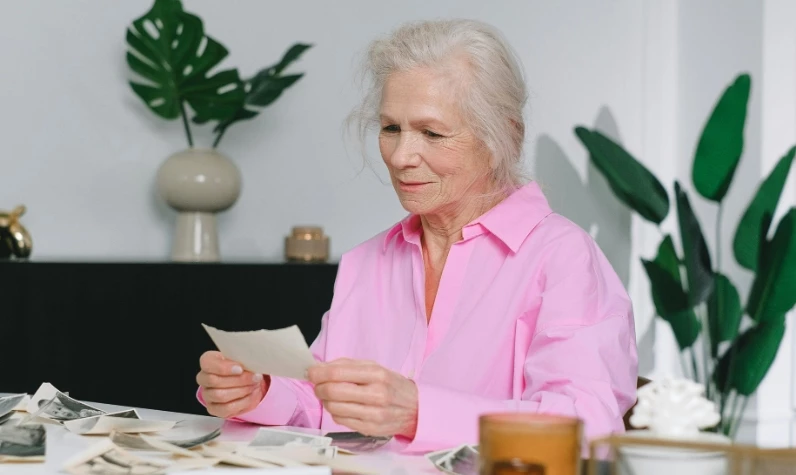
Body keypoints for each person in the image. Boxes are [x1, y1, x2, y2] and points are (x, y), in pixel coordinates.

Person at [196, 18, 638, 454]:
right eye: (391, 129)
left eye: (432, 132)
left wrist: (416, 411)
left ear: (505, 136)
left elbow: (588, 428)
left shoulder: (561, 256)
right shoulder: (367, 261)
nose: (403, 156)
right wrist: (259, 392)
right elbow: (326, 407)